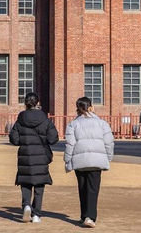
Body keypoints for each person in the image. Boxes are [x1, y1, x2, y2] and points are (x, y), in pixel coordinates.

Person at [64, 97, 114, 228]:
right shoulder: (102, 123)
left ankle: (83, 215)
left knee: (82, 188)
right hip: (97, 160)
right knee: (93, 189)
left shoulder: (73, 124)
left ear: (77, 109)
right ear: (91, 107)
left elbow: (70, 144)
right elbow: (109, 143)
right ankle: (90, 217)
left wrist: (67, 159)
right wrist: (108, 158)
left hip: (79, 160)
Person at [9, 92, 59, 224]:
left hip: (25, 155)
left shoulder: (20, 119)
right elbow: (53, 139)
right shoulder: (45, 120)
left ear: (26, 103)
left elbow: (14, 139)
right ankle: (36, 214)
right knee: (39, 186)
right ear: (37, 103)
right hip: (41, 155)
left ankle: (26, 205)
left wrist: (24, 140)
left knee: (25, 183)